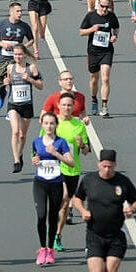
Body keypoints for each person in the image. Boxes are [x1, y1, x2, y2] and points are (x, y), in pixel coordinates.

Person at [73, 149, 136, 272]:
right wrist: (83, 211)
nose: (107, 170)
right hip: (95, 234)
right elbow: (77, 199)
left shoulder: (123, 182)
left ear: (115, 165)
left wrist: (131, 209)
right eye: (104, 166)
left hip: (116, 236)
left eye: (110, 167)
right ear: (99, 164)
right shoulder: (89, 180)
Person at [30, 111, 76, 266]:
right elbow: (34, 157)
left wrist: (56, 153)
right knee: (41, 215)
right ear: (42, 125)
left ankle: (50, 249)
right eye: (46, 123)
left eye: (52, 123)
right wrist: (35, 161)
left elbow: (71, 163)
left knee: (52, 216)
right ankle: (42, 249)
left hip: (56, 183)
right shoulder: (36, 141)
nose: (49, 126)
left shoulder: (61, 142)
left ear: (56, 125)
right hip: (40, 182)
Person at [52, 94, 91, 254]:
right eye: (64, 105)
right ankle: (51, 230)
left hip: (72, 170)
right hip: (54, 169)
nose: (67, 108)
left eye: (70, 105)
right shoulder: (52, 122)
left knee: (64, 206)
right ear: (59, 105)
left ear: (73, 107)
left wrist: (81, 145)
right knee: (61, 200)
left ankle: (57, 235)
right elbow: (40, 144)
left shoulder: (79, 125)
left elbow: (86, 151)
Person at [80, 0, 120, 117]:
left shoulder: (111, 16)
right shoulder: (91, 16)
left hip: (107, 51)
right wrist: (92, 29)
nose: (104, 9)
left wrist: (114, 36)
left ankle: (104, 106)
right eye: (102, 6)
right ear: (98, 5)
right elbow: (81, 32)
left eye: (107, 7)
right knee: (94, 79)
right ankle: (93, 99)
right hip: (93, 51)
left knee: (105, 78)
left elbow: (116, 28)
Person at [5, 44, 44, 174]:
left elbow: (41, 86)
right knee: (15, 131)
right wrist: (6, 83)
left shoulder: (31, 68)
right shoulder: (10, 68)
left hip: (27, 105)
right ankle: (16, 160)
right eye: (15, 54)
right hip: (13, 104)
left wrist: (30, 79)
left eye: (20, 54)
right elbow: (9, 82)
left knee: (22, 135)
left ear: (25, 55)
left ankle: (20, 153)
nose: (17, 57)